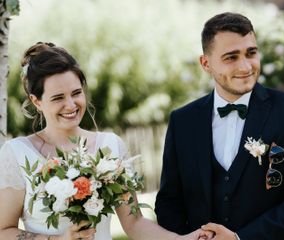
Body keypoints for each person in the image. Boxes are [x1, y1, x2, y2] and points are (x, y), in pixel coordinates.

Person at [0, 42, 212, 240]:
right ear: (36, 101)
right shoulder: (17, 153)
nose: (71, 104)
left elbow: (134, 223)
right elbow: (4, 230)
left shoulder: (110, 146)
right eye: (58, 98)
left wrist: (181, 239)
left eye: (76, 93)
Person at [155, 12, 284, 240]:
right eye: (231, 57)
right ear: (206, 63)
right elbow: (168, 201)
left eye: (251, 53)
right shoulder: (182, 121)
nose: (245, 66)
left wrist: (241, 238)